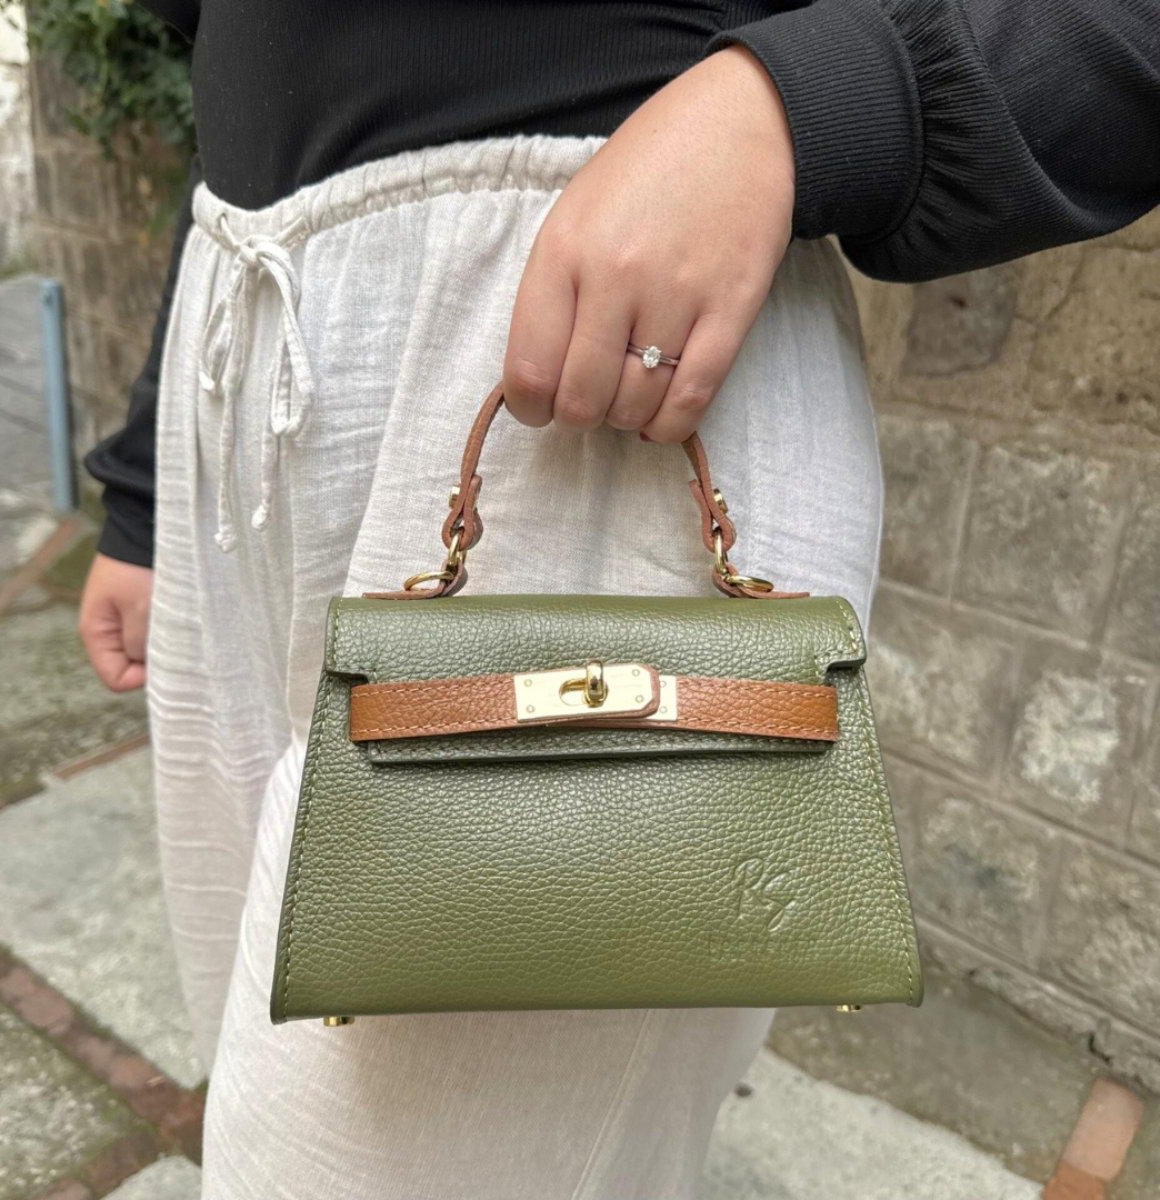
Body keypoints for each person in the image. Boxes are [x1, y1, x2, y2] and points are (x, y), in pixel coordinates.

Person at [78, 3, 1160, 1197]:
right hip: (246, 357)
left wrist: (823, 99)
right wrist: (141, 483)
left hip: (631, 330)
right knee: (251, 1035)